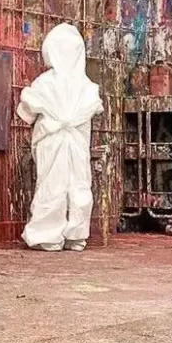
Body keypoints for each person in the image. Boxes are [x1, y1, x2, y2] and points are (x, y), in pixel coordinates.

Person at [18, 23, 103, 252]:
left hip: (51, 141)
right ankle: (76, 236)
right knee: (79, 185)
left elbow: (26, 112)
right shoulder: (88, 88)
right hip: (76, 144)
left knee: (50, 186)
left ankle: (47, 235)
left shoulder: (45, 83)